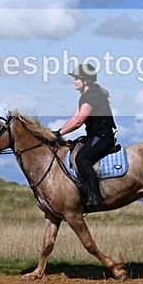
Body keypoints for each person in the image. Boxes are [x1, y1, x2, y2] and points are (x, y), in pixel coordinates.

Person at [53, 62, 117, 208]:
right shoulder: (85, 95)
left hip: (102, 137)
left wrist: (59, 133)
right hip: (93, 136)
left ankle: (95, 196)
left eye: (76, 78)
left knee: (82, 159)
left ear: (85, 80)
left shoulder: (92, 96)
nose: (74, 81)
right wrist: (58, 131)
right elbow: (74, 118)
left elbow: (78, 122)